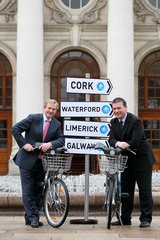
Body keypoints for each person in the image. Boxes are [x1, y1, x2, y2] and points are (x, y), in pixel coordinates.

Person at [12, 99, 65, 228]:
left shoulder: (57, 124)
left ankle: (29, 217)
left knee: (38, 190)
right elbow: (15, 129)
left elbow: (61, 139)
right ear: (44, 108)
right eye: (49, 108)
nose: (51, 111)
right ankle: (33, 217)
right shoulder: (33, 118)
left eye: (53, 109)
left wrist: (50, 144)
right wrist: (24, 144)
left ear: (56, 111)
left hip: (43, 162)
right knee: (28, 190)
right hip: (26, 160)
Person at [109, 97, 156, 228]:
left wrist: (126, 144)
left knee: (144, 189)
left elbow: (136, 140)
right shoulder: (113, 122)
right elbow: (111, 139)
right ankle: (125, 218)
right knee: (126, 190)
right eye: (114, 109)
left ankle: (146, 219)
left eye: (119, 108)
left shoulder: (135, 121)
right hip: (126, 160)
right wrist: (118, 143)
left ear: (125, 108)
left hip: (142, 159)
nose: (117, 111)